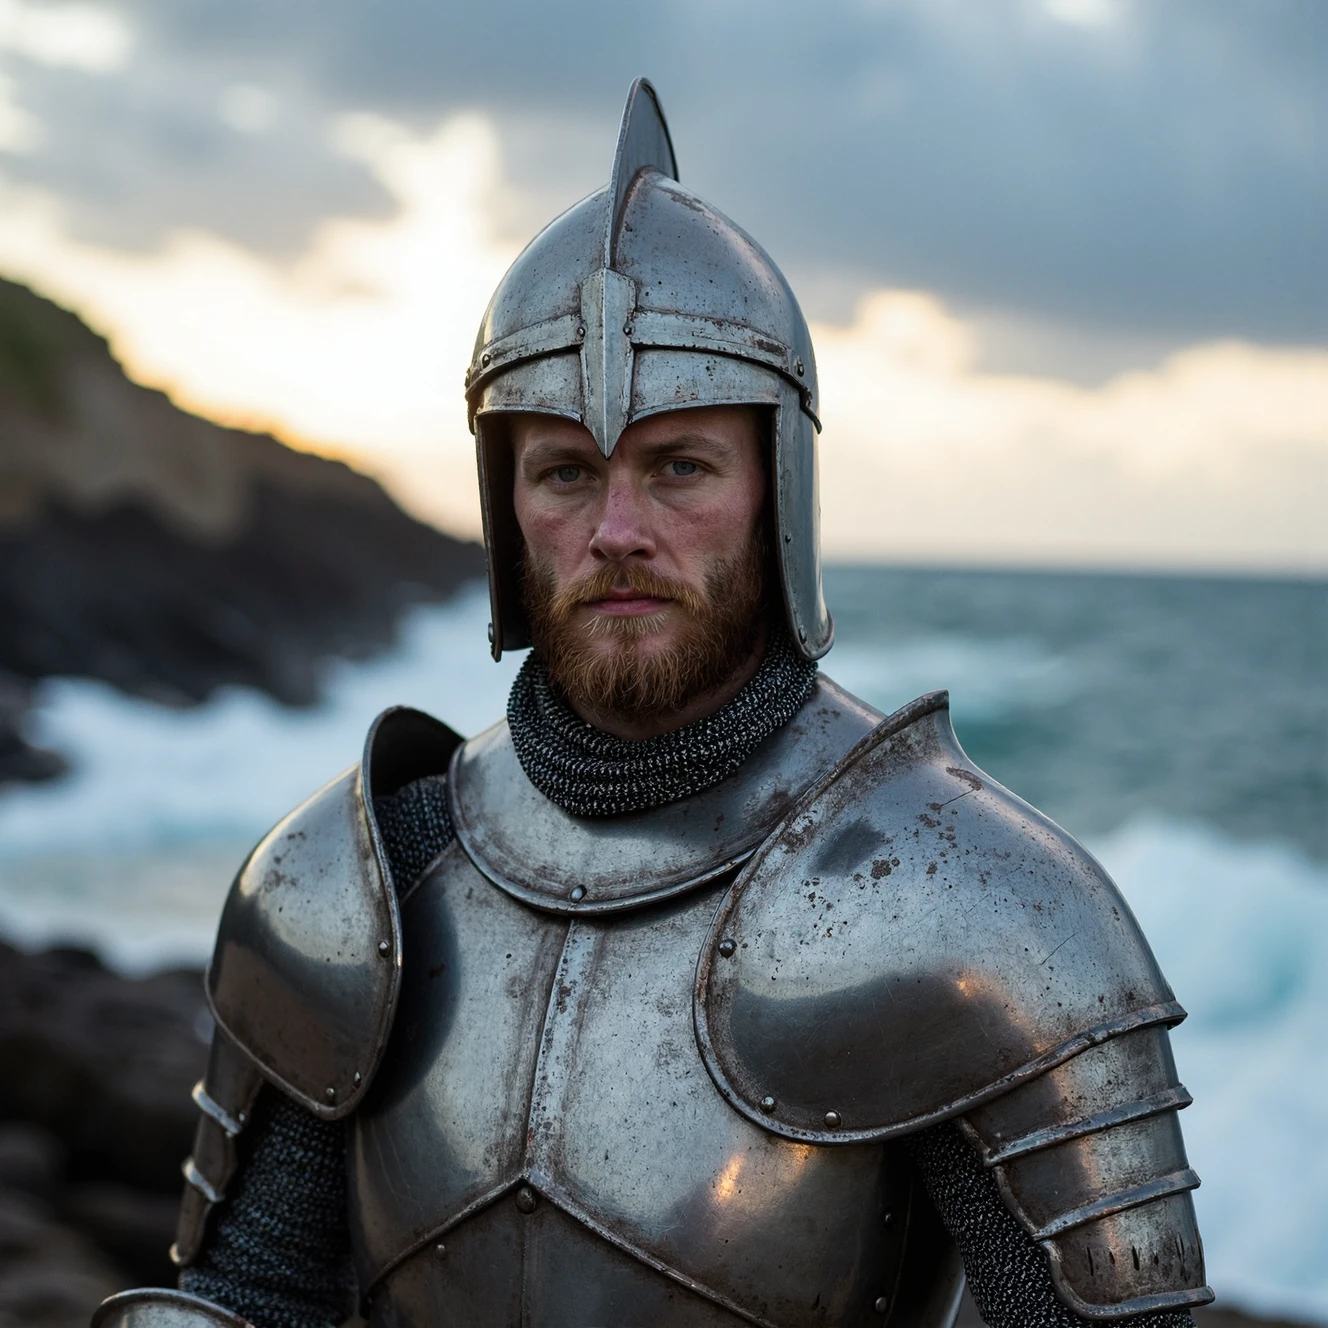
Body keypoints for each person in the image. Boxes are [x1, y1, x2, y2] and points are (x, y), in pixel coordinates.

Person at [92, 79, 1213, 1328]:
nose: (615, 531)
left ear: (775, 491)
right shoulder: (353, 878)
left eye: (678, 465)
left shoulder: (979, 908)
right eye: (565, 471)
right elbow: (242, 1301)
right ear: (505, 508)